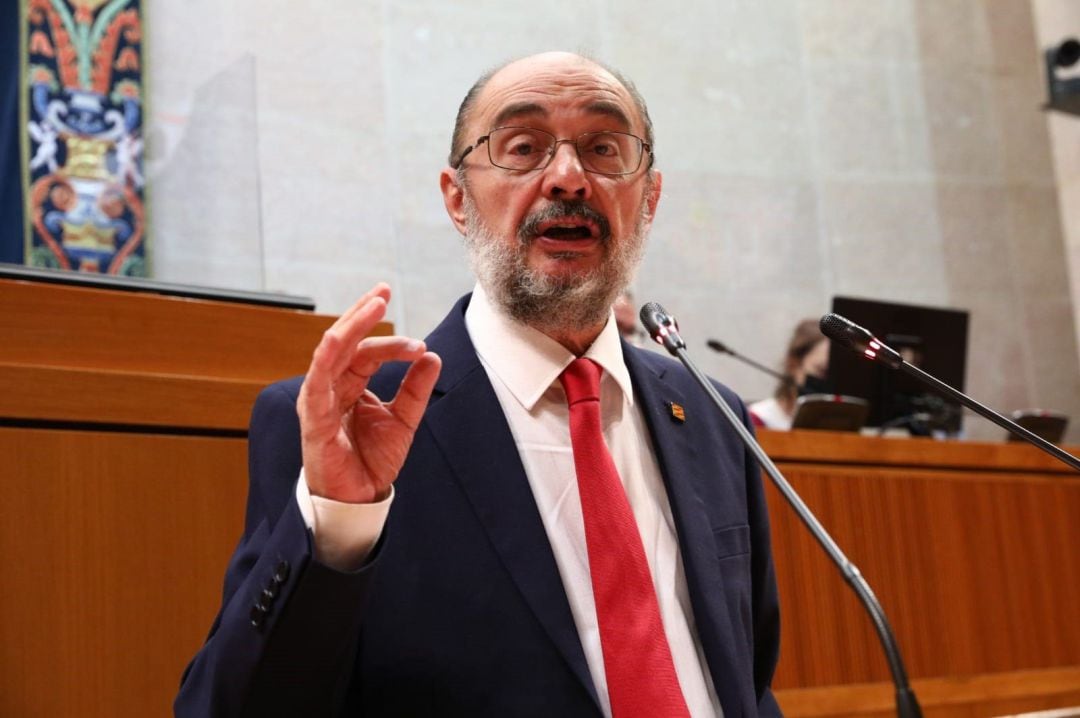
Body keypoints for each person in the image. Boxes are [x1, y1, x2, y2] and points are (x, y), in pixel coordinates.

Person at [175, 52, 780, 717]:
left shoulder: (714, 415)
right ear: (457, 199)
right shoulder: (348, 425)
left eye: (604, 148)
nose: (569, 178)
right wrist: (340, 522)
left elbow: (744, 680)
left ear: (651, 199)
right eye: (523, 148)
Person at [749, 319, 829, 430]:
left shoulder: (850, 426)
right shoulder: (757, 420)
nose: (829, 381)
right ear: (794, 364)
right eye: (822, 371)